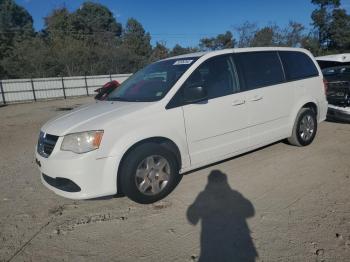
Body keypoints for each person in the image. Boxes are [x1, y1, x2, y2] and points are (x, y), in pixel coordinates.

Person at [187, 170, 258, 262]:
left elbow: (192, 218)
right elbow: (250, 211)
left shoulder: (204, 196)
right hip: (233, 247)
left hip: (214, 248)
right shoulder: (233, 194)